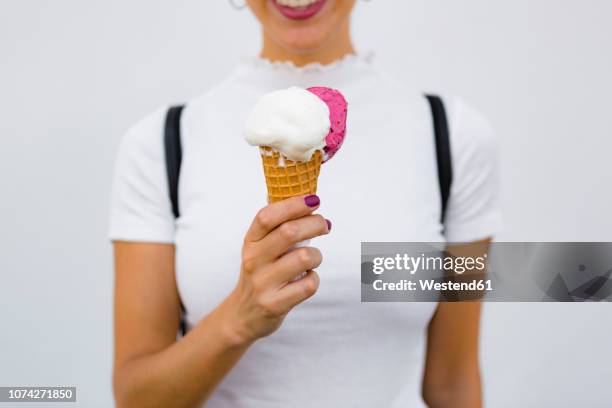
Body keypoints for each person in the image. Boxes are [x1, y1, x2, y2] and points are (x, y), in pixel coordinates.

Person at [109, 0, 500, 407]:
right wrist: (238, 320)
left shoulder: (453, 138)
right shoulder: (161, 144)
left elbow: (453, 384)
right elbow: (136, 399)